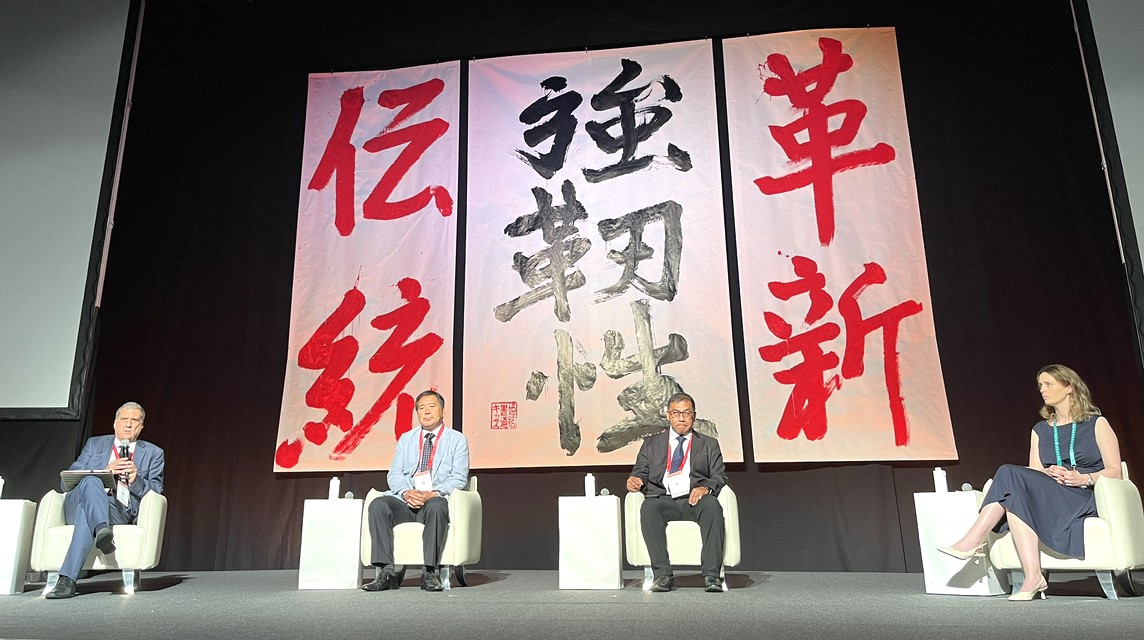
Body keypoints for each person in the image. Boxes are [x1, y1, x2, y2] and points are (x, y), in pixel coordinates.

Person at [939, 364, 1122, 601]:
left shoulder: (1097, 423)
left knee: (1007, 473)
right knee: (1014, 493)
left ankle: (974, 540)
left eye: (1049, 384)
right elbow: (1035, 472)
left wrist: (1083, 478)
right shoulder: (1040, 430)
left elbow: (1115, 471)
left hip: (1083, 495)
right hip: (1051, 493)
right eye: (1040, 386)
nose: (1042, 390)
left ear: (1069, 387)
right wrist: (1048, 473)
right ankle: (1032, 576)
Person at [45, 402, 165, 599]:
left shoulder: (153, 453)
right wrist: (105, 471)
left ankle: (67, 579)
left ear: (141, 426)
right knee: (91, 481)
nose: (128, 425)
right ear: (115, 423)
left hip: (117, 509)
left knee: (88, 512)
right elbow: (66, 482)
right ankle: (101, 528)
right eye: (124, 419)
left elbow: (157, 491)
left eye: (134, 421)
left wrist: (136, 481)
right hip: (76, 502)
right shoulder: (95, 444)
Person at [363, 390, 469, 592]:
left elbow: (459, 477)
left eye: (431, 406)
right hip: (406, 499)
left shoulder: (457, 440)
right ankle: (385, 572)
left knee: (437, 506)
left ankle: (429, 572)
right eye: (421, 408)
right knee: (378, 505)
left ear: (442, 411)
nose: (426, 412)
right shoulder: (406, 438)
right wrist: (405, 492)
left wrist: (433, 492)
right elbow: (394, 473)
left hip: (433, 499)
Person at [626, 392, 727, 592]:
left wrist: (705, 488)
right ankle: (662, 575)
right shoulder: (651, 443)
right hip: (663, 498)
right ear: (668, 416)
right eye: (676, 413)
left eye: (686, 413)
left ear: (694, 416)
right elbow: (640, 471)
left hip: (694, 498)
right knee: (649, 508)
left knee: (713, 506)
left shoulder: (709, 444)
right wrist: (635, 479)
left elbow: (719, 476)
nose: (681, 418)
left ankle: (712, 576)